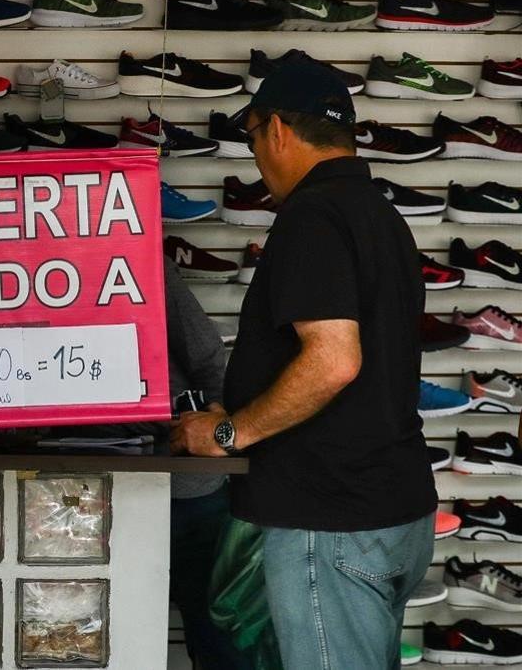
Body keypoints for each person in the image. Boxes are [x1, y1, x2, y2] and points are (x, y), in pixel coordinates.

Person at [171, 60, 436, 670]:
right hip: (393, 508)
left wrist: (229, 433)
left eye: (253, 136)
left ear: (280, 130)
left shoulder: (313, 218)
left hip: (329, 518)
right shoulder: (382, 218)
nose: (256, 155)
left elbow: (334, 360)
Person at [62, 257, 249, 669]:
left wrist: (217, 433)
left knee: (215, 631)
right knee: (83, 634)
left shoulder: (130, 255)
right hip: (74, 487)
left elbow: (205, 354)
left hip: (176, 476)